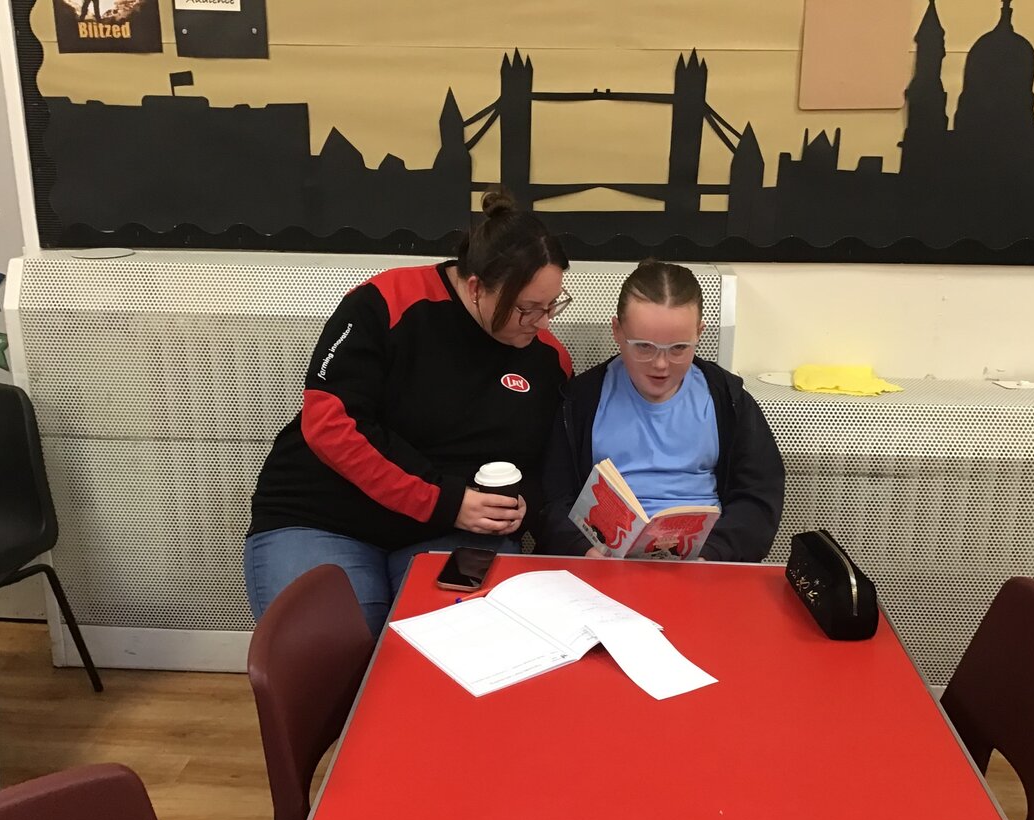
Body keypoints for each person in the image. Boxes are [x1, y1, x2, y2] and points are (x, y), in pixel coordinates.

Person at [244, 189, 573, 635]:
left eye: (552, 305)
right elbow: (330, 424)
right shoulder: (386, 302)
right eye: (526, 308)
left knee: (452, 641)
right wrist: (444, 501)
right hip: (324, 516)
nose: (543, 322)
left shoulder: (549, 358)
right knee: (340, 640)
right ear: (475, 287)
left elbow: (547, 463)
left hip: (451, 532)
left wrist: (521, 507)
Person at [536, 260, 784, 561]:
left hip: (703, 560)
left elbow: (759, 497)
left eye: (678, 348)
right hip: (601, 559)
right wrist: (583, 551)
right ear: (617, 331)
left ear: (699, 333)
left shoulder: (727, 400)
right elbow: (551, 499)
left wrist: (713, 556)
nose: (661, 364)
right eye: (643, 346)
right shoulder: (581, 400)